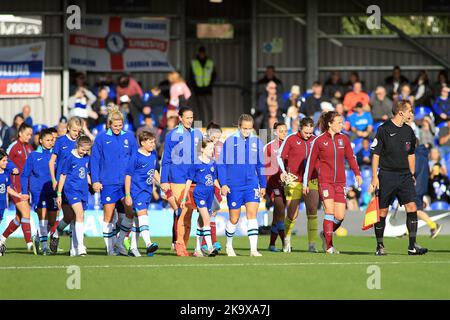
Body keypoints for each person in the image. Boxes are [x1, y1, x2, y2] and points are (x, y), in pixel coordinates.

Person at [370, 100, 428, 255]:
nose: (412, 114)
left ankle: (412, 246)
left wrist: (412, 174)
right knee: (382, 211)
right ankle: (380, 246)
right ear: (401, 112)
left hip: (404, 176)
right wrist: (374, 177)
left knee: (412, 207)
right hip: (387, 175)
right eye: (410, 111)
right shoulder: (383, 129)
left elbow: (411, 154)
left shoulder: (409, 131)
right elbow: (375, 155)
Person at [303, 111, 362, 254]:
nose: (342, 125)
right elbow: (310, 163)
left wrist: (357, 174)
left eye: (342, 122)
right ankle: (329, 246)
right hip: (325, 182)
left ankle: (325, 234)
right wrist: (305, 182)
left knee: (340, 216)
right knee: (329, 211)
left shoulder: (344, 139)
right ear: (330, 124)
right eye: (339, 122)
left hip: (340, 183)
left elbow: (351, 158)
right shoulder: (319, 140)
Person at [91, 107, 138, 255]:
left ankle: (119, 242)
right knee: (109, 216)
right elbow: (95, 160)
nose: (117, 128)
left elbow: (135, 158)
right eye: (115, 125)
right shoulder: (101, 138)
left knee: (130, 214)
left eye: (120, 125)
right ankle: (110, 249)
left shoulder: (129, 137)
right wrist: (95, 180)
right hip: (108, 182)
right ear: (109, 123)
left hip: (126, 184)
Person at [218, 114, 266, 257]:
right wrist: (224, 184)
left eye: (249, 129)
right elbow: (222, 164)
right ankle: (228, 245)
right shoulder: (230, 141)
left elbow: (260, 165)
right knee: (234, 218)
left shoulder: (256, 142)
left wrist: (263, 184)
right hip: (234, 186)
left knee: (252, 215)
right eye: (244, 128)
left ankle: (253, 250)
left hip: (251, 184)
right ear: (239, 127)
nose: (247, 131)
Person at [160, 107, 202, 256]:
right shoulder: (172, 135)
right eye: (187, 117)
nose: (190, 120)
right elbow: (166, 160)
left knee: (189, 213)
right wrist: (164, 180)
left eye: (192, 117)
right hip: (177, 178)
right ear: (180, 118)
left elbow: (199, 158)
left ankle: (184, 246)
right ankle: (179, 244)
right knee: (183, 212)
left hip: (193, 180)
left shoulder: (197, 134)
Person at [278, 117, 320, 253]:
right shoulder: (290, 139)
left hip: (311, 180)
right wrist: (284, 172)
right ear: (300, 129)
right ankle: (286, 240)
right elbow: (279, 156)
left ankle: (312, 244)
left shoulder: (315, 140)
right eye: (306, 132)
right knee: (292, 214)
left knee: (312, 210)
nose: (309, 135)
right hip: (294, 180)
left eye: (310, 132)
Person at [48, 117, 82, 255]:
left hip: (75, 183)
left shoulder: (80, 142)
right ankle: (55, 233)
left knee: (75, 215)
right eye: (74, 130)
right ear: (68, 128)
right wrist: (53, 180)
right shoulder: (61, 141)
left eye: (78, 131)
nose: (76, 133)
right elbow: (52, 162)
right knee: (68, 216)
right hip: (62, 182)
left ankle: (73, 248)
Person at [20, 129, 58, 255]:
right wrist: (25, 192)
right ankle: (44, 246)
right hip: (38, 192)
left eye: (52, 140)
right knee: (43, 218)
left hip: (52, 191)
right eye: (47, 140)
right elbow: (24, 175)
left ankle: (37, 236)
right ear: (40, 141)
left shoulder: (55, 156)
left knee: (52, 220)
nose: (50, 142)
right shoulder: (33, 156)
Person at [181, 138, 220, 257]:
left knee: (201, 221)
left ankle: (197, 249)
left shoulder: (213, 163)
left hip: (210, 193)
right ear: (202, 149)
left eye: (213, 148)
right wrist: (184, 198)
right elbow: (188, 181)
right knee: (207, 219)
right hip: (199, 193)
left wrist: (222, 188)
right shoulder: (196, 163)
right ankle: (209, 248)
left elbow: (214, 180)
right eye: (209, 148)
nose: (212, 151)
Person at [125, 131, 160, 257]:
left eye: (153, 141)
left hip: (147, 191)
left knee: (137, 221)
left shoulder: (153, 155)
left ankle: (133, 248)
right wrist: (128, 194)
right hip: (136, 191)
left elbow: (154, 171)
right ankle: (148, 244)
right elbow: (128, 176)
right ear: (142, 142)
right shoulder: (135, 156)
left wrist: (163, 184)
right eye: (150, 142)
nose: (153, 144)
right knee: (142, 214)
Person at [56, 136, 92, 256]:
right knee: (80, 214)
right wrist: (59, 194)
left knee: (77, 218)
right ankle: (81, 247)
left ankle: (73, 248)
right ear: (77, 145)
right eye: (83, 149)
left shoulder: (87, 158)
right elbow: (63, 175)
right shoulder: (69, 157)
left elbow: (86, 174)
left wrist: (94, 184)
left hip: (83, 191)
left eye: (87, 150)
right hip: (71, 190)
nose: (84, 152)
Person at [4, 123, 35, 252]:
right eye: (27, 134)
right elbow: (3, 161)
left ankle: (2, 238)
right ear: (20, 133)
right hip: (14, 185)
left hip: (25, 186)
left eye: (31, 134)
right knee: (26, 212)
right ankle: (29, 244)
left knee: (19, 217)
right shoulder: (13, 147)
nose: (30, 136)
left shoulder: (29, 148)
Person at [0, 149, 30, 256]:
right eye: (3, 161)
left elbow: (8, 188)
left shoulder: (5, 174)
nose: (6, 163)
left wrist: (19, 196)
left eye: (6, 160)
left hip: (2, 205)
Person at [264, 122, 288, 252]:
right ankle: (285, 242)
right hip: (273, 184)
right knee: (280, 211)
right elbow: (263, 167)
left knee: (278, 216)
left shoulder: (289, 145)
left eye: (285, 131)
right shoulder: (269, 147)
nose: (284, 133)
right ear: (275, 132)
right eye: (281, 131)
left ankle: (272, 244)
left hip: (286, 185)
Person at [200, 122, 223, 252]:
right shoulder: (203, 146)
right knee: (207, 213)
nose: (217, 139)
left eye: (219, 137)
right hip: (206, 183)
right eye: (215, 137)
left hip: (217, 182)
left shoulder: (220, 146)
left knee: (213, 212)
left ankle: (212, 241)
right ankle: (206, 242)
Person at [414, 143, 442, 239]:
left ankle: (434, 225)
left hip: (416, 186)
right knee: (414, 209)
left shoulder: (416, 154)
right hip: (422, 185)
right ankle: (408, 231)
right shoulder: (424, 154)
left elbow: (415, 170)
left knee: (416, 210)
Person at [189, 46, 216, 123]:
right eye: (200, 53)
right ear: (199, 53)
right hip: (198, 90)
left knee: (209, 107)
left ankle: (211, 124)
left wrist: (210, 85)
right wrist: (195, 87)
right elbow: (191, 76)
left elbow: (214, 75)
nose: (202, 55)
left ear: (205, 53)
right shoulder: (194, 63)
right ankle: (200, 125)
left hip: (208, 89)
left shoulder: (209, 62)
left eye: (203, 53)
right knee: (198, 109)